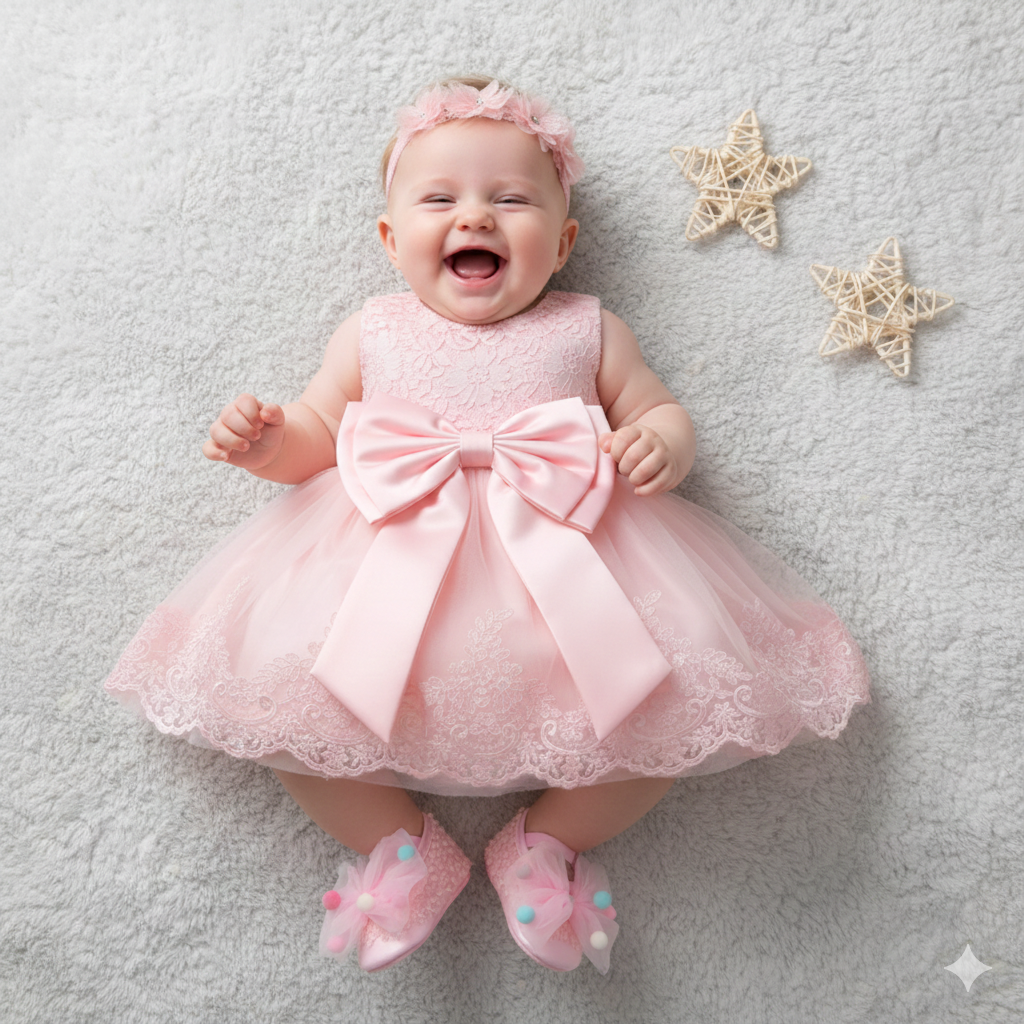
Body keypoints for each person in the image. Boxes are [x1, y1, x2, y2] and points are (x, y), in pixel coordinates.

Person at [105, 75, 871, 975]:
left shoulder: (589, 329)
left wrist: (662, 441)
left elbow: (658, 408)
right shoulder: (372, 332)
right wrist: (270, 442)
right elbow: (319, 436)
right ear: (391, 240)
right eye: (439, 199)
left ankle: (544, 847)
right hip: (380, 572)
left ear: (565, 242)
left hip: (575, 571)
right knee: (285, 718)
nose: (475, 216)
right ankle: (402, 854)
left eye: (511, 199)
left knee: (664, 715)